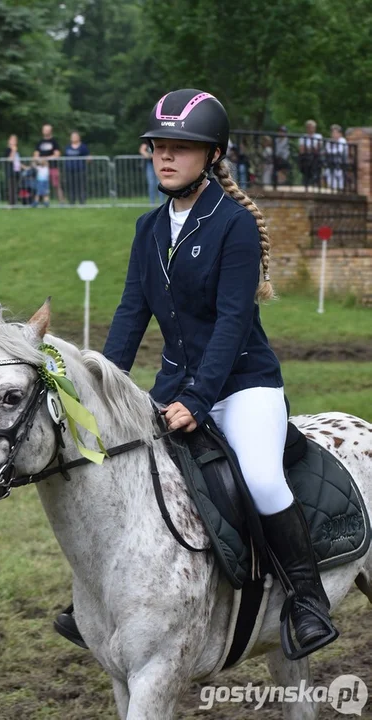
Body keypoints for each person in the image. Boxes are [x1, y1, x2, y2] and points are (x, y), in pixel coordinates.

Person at [54, 88, 338, 656]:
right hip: (176, 386)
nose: (166, 156)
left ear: (210, 156)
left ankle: (307, 601)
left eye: (181, 147)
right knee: (127, 473)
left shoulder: (231, 224)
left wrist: (201, 399)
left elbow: (234, 322)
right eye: (159, 145)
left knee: (259, 477)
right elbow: (131, 314)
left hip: (244, 386)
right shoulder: (148, 228)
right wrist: (99, 387)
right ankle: (106, 598)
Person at [34, 123, 65, 203]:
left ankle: (61, 201)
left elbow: (57, 154)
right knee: (41, 184)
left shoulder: (54, 142)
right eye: (44, 129)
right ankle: (41, 201)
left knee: (56, 184)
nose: (45, 131)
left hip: (53, 167)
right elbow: (35, 155)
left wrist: (45, 158)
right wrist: (40, 160)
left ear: (51, 131)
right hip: (42, 168)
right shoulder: (40, 142)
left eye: (47, 130)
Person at [64, 131, 90, 205]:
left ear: (79, 137)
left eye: (75, 136)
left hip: (80, 170)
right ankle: (72, 201)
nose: (73, 138)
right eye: (72, 136)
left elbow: (88, 157)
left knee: (81, 186)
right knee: (71, 186)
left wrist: (86, 162)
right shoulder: (67, 147)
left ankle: (82, 201)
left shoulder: (83, 146)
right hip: (69, 170)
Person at [139, 140, 165, 205]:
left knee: (159, 183)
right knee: (151, 184)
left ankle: (162, 203)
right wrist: (150, 155)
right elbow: (142, 150)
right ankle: (152, 202)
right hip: (150, 164)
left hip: (160, 164)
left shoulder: (160, 141)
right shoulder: (147, 142)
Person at [298, 120, 322, 189]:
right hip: (305, 157)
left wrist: (307, 148)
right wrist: (311, 148)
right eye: (309, 127)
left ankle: (314, 183)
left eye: (312, 127)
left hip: (315, 158)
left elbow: (317, 149)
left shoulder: (318, 136)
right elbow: (301, 150)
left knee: (315, 162)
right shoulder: (303, 137)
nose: (311, 129)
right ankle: (305, 184)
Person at [324, 124, 347, 192]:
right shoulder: (329, 141)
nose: (334, 135)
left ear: (340, 134)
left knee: (339, 184)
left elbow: (339, 151)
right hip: (330, 165)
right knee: (330, 182)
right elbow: (327, 151)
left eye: (336, 133)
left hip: (340, 165)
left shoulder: (342, 140)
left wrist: (332, 152)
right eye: (333, 133)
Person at [4, 134, 22, 206]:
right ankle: (11, 204)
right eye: (12, 140)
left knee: (15, 188)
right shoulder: (8, 150)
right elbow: (10, 159)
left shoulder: (17, 151)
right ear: (9, 141)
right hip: (11, 171)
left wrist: (25, 167)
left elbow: (18, 161)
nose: (14, 141)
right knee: (11, 188)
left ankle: (15, 202)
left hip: (17, 171)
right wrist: (13, 151)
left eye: (15, 140)